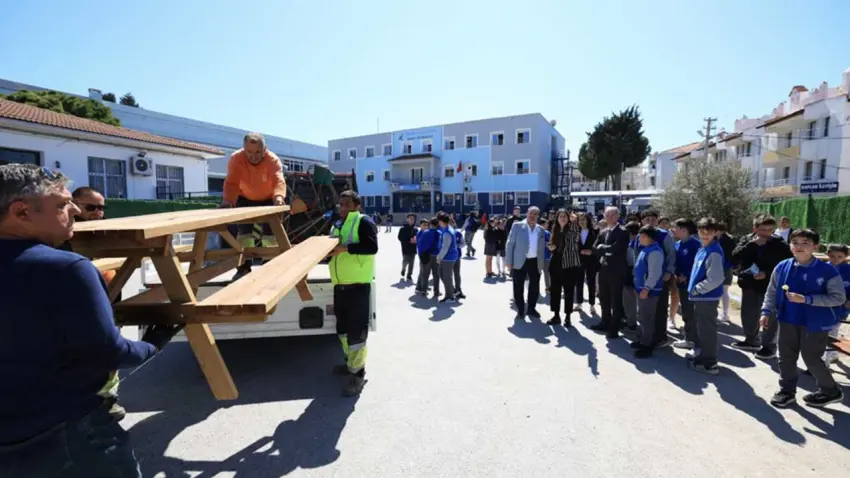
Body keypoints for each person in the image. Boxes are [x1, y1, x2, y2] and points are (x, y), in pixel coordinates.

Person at [0, 164, 165, 477]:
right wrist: (153, 343)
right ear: (21, 212)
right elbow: (107, 352)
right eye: (62, 205)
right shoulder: (66, 269)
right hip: (69, 430)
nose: (75, 209)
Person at [761, 229, 846, 408]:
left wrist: (807, 299)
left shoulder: (827, 270)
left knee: (811, 358)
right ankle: (786, 391)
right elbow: (771, 291)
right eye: (795, 242)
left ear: (815, 246)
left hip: (815, 323)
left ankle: (831, 391)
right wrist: (766, 311)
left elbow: (838, 298)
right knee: (785, 356)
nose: (799, 246)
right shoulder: (782, 266)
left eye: (805, 243)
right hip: (787, 319)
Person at [328, 190, 378, 396]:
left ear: (357, 205)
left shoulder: (363, 222)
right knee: (342, 329)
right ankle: (350, 364)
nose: (342, 208)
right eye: (341, 204)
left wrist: (344, 249)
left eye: (347, 204)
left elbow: (371, 247)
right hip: (340, 285)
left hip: (358, 286)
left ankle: (358, 376)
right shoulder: (337, 224)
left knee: (356, 332)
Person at [221, 132, 287, 280]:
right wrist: (228, 202)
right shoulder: (236, 159)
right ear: (244, 149)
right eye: (249, 152)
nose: (253, 156)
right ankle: (244, 268)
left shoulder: (273, 160)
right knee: (244, 234)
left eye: (257, 152)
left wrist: (278, 197)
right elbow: (231, 183)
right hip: (245, 198)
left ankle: (270, 266)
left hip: (269, 199)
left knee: (270, 234)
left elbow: (278, 181)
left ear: (265, 149)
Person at [730, 215, 792, 360]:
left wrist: (767, 273)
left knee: (769, 316)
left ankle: (769, 346)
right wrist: (752, 245)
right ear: (755, 228)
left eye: (770, 230)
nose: (766, 233)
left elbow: (786, 265)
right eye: (763, 230)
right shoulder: (747, 240)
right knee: (749, 314)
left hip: (769, 285)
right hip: (749, 283)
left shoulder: (779, 243)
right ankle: (751, 340)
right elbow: (734, 257)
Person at [686, 217, 726, 375]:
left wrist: (697, 289)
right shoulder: (704, 248)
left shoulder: (714, 251)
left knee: (707, 330)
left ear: (716, 232)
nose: (705, 235)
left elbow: (716, 278)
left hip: (706, 298)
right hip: (701, 297)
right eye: (702, 231)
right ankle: (703, 356)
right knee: (702, 329)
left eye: (709, 232)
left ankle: (710, 363)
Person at [639, 209, 677, 346]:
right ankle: (646, 336)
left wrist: (669, 271)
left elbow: (671, 254)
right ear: (642, 221)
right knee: (645, 309)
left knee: (660, 307)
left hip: (661, 278)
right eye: (647, 220)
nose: (650, 222)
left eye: (653, 219)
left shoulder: (664, 235)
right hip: (643, 278)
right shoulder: (641, 234)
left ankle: (660, 337)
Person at [592, 206, 630, 338]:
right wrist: (604, 249)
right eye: (607, 215)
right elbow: (594, 248)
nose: (609, 217)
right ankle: (605, 322)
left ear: (617, 216)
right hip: (604, 269)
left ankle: (614, 327)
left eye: (612, 215)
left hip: (617, 271)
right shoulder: (603, 232)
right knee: (604, 298)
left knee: (616, 300)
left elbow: (617, 248)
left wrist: (603, 249)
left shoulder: (623, 231)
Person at [505, 206, 546, 320]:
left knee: (534, 287)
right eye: (531, 213)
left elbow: (542, 247)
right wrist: (509, 261)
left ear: (538, 216)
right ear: (527, 213)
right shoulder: (517, 226)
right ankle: (521, 310)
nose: (532, 216)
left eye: (535, 214)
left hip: (535, 262)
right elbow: (510, 244)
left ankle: (531, 309)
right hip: (519, 261)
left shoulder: (540, 229)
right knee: (518, 287)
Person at [632, 225, 665, 358]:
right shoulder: (645, 249)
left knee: (647, 318)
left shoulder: (655, 252)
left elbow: (654, 273)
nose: (640, 238)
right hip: (641, 289)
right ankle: (642, 339)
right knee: (642, 315)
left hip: (649, 291)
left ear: (650, 238)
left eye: (643, 236)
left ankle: (647, 345)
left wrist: (646, 288)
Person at [546, 209, 582, 327]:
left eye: (564, 216)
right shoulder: (554, 230)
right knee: (555, 292)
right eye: (560, 216)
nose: (562, 218)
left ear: (568, 218)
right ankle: (556, 315)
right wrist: (550, 247)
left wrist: (573, 222)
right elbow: (553, 247)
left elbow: (576, 236)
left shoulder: (572, 229)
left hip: (569, 265)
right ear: (557, 218)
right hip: (555, 264)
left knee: (568, 292)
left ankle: (568, 316)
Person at [671, 218, 701, 350]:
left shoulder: (696, 244)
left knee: (691, 312)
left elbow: (698, 264)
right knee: (686, 312)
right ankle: (690, 337)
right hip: (681, 283)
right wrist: (677, 274)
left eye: (675, 227)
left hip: (692, 284)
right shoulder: (677, 244)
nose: (673, 230)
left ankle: (693, 340)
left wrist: (687, 275)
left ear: (684, 230)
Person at [823, 244, 850, 365]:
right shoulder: (822, 268)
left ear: (846, 256)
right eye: (832, 256)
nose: (835, 259)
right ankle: (832, 354)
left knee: (831, 332)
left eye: (840, 256)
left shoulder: (848, 270)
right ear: (827, 254)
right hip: (823, 305)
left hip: (841, 308)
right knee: (823, 332)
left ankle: (825, 360)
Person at [575, 212, 598, 311]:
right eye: (580, 220)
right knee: (578, 282)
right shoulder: (575, 232)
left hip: (591, 260)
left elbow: (598, 246)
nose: (581, 222)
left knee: (591, 282)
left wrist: (591, 252)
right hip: (579, 260)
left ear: (588, 220)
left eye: (584, 219)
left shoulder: (595, 232)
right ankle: (579, 303)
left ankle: (592, 305)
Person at [622, 221, 642, 332]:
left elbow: (632, 260)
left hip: (631, 272)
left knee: (630, 300)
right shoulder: (638, 242)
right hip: (635, 272)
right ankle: (632, 320)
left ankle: (631, 323)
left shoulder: (633, 244)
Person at [435, 212, 459, 303]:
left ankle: (450, 297)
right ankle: (453, 290)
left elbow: (445, 248)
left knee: (447, 277)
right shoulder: (446, 229)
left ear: (441, 221)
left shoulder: (447, 232)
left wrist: (439, 257)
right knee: (441, 273)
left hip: (447, 258)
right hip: (447, 257)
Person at [715, 222, 737, 324]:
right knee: (716, 291)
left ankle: (725, 314)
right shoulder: (714, 239)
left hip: (725, 268)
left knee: (724, 291)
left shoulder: (729, 240)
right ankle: (718, 313)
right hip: (717, 268)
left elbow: (732, 255)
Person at [415, 219, 436, 296]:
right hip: (422, 255)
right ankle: (418, 287)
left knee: (423, 271)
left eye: (427, 225)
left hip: (426, 254)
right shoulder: (420, 233)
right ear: (420, 225)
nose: (425, 226)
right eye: (423, 225)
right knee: (422, 271)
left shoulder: (426, 232)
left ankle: (423, 286)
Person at [397, 214, 418, 281]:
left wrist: (416, 240)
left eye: (413, 219)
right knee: (405, 261)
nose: (412, 220)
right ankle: (403, 269)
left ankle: (409, 275)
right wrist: (408, 240)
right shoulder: (403, 228)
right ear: (407, 219)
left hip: (413, 247)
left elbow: (418, 237)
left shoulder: (416, 229)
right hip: (405, 247)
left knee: (412, 262)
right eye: (410, 218)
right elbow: (399, 237)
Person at [450, 217, 466, 299]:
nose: (451, 224)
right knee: (449, 275)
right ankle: (452, 290)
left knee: (457, 274)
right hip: (448, 258)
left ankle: (458, 289)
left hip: (457, 256)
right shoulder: (446, 233)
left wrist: (457, 246)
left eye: (452, 223)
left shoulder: (458, 234)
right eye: (449, 223)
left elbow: (463, 244)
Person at [542, 219, 552, 292]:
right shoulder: (537, 232)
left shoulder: (548, 233)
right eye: (546, 224)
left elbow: (551, 243)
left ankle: (548, 286)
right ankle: (548, 286)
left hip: (546, 256)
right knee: (546, 273)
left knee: (547, 273)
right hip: (542, 256)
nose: (547, 225)